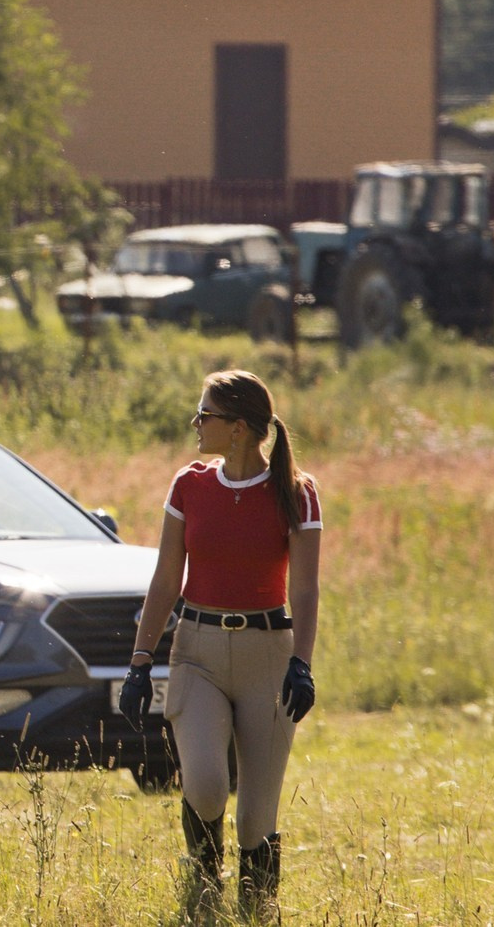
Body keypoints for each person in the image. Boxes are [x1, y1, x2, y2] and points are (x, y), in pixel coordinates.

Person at [122, 370, 322, 919]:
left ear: (237, 428)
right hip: (197, 652)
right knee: (207, 786)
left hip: (269, 658)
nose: (196, 424)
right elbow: (165, 581)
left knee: (257, 819)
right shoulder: (189, 484)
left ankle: (257, 909)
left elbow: (305, 590)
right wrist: (140, 662)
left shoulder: (298, 494)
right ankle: (204, 891)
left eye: (204, 415)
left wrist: (301, 664)